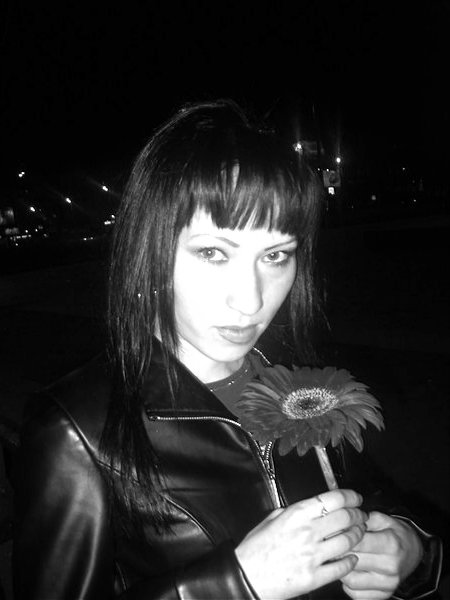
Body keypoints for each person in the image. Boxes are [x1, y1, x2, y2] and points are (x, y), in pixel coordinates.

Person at [13, 100, 441, 600]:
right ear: (151, 252)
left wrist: (411, 549)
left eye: (275, 255)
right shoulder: (76, 430)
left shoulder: (302, 387)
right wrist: (236, 583)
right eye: (213, 252)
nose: (252, 301)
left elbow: (366, 498)